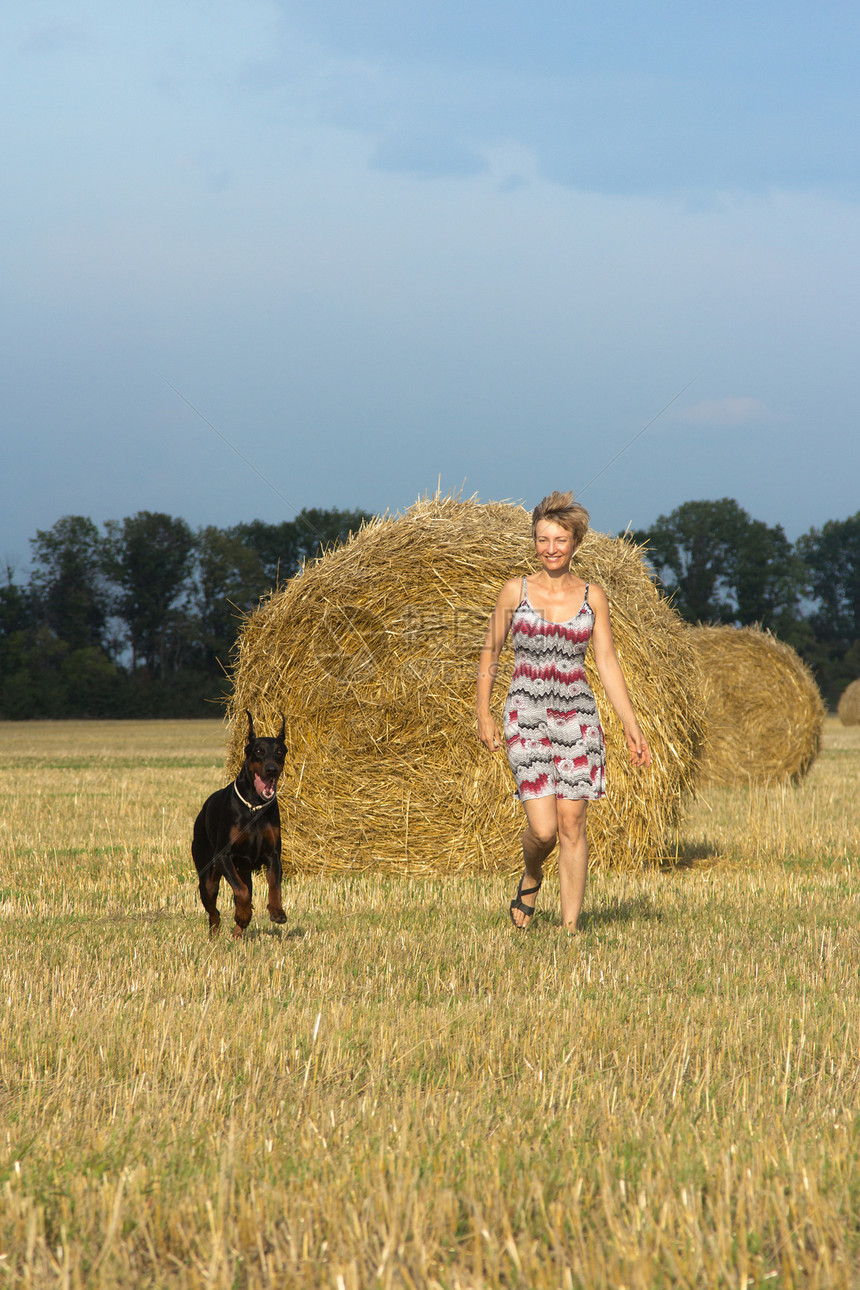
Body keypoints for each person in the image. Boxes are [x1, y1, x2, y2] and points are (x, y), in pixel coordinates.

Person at [476, 491, 651, 932]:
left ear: (575, 543)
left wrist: (631, 726)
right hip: (525, 712)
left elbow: (607, 662)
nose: (550, 548)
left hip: (577, 715)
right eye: (542, 539)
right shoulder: (514, 591)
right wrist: (483, 711)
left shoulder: (594, 597)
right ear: (534, 542)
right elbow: (491, 652)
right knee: (545, 830)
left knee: (573, 821)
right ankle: (533, 872)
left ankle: (570, 928)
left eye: (559, 539)